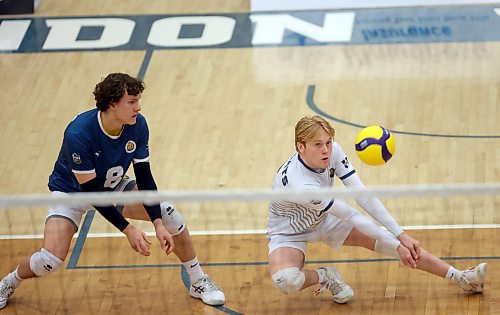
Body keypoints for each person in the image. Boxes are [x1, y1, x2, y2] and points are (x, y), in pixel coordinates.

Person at [0, 73, 225, 310]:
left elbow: (145, 176)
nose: (138, 107)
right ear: (111, 105)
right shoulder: (79, 134)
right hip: (73, 193)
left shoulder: (137, 125)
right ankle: (8, 282)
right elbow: (92, 193)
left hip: (113, 185)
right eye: (131, 102)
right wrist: (128, 230)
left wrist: (157, 222)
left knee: (167, 211)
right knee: (50, 260)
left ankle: (198, 280)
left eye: (138, 100)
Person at [267, 115, 487, 304]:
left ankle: (462, 278)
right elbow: (351, 214)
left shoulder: (333, 152)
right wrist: (396, 241)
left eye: (328, 142)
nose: (326, 150)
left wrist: (399, 236)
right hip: (289, 231)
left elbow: (362, 195)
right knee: (287, 280)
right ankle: (327, 276)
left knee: (398, 245)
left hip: (323, 218)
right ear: (300, 146)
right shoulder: (300, 183)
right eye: (317, 144)